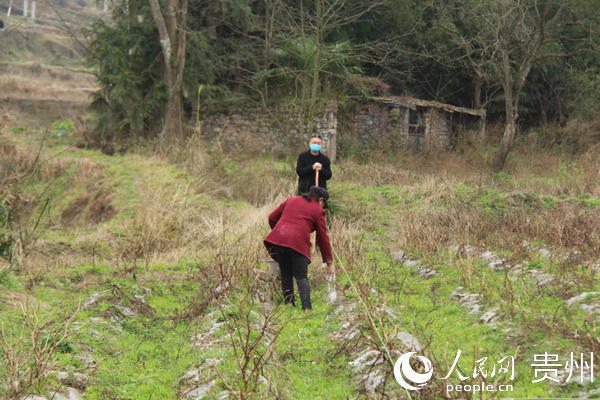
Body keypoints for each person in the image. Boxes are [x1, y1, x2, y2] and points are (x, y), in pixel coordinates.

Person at [264, 186, 335, 311]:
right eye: (324, 204)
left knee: (286, 274)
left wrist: (282, 231)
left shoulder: (291, 200)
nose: (323, 207)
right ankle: (306, 309)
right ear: (321, 200)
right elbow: (323, 237)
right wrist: (329, 262)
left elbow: (271, 217)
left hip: (279, 241)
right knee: (301, 276)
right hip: (297, 243)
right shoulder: (318, 210)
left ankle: (289, 306)